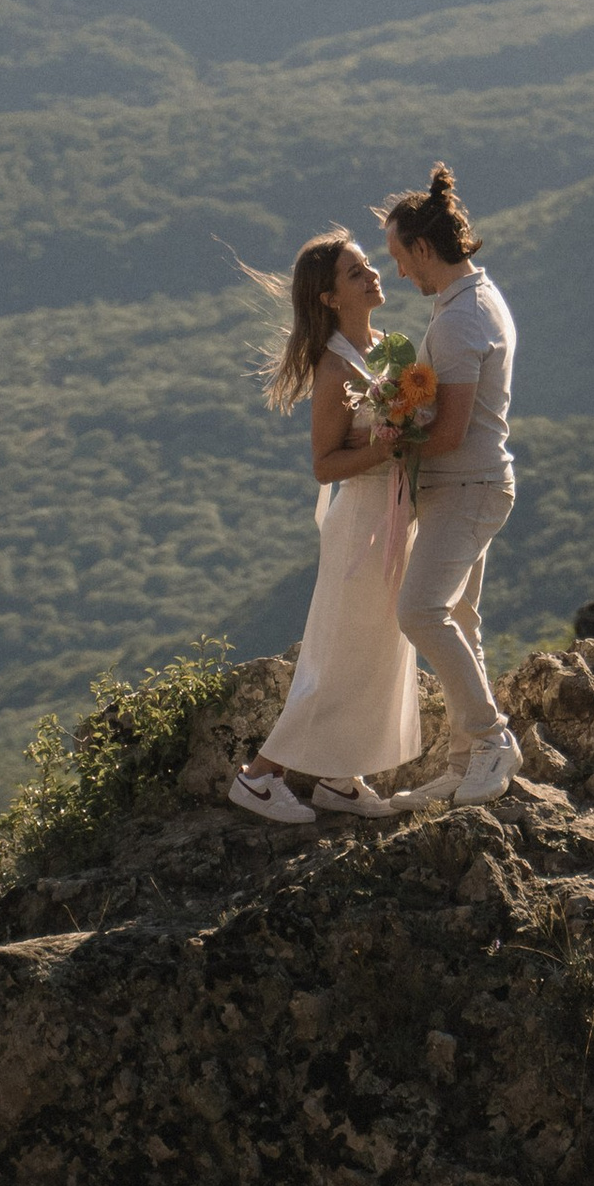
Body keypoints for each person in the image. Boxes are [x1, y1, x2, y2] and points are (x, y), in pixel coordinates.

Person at [230, 228, 423, 823]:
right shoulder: (336, 368)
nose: (373, 275)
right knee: (339, 653)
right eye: (356, 272)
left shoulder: (387, 349)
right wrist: (386, 447)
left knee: (377, 647)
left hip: (396, 515)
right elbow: (323, 465)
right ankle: (260, 777)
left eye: (368, 265)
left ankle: (341, 775)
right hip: (361, 521)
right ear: (330, 298)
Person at [378, 163, 523, 806]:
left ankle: (493, 741)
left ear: (422, 248)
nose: (398, 273)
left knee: (420, 612)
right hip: (472, 487)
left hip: (466, 487)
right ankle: (465, 762)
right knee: (461, 617)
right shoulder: (473, 301)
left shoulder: (460, 320)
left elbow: (451, 432)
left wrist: (387, 442)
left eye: (399, 257)